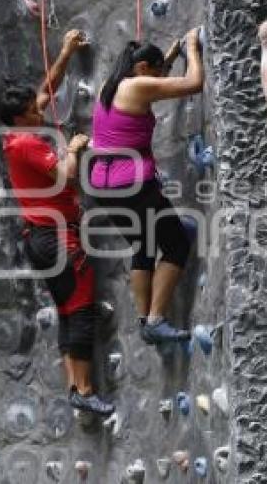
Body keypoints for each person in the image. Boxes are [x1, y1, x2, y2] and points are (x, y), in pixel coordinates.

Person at [0, 29, 114, 416]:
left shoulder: (17, 134)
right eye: (34, 111)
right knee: (80, 308)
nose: (41, 111)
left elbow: (47, 88)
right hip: (57, 238)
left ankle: (74, 387)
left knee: (68, 309)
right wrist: (76, 150)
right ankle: (83, 388)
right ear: (20, 118)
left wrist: (65, 52)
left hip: (42, 236)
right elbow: (65, 176)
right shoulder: (28, 144)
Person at [89, 28, 204, 345]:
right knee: (177, 243)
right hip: (133, 185)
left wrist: (165, 58)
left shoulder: (108, 88)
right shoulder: (139, 85)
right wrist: (192, 48)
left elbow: (155, 82)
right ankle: (155, 319)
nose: (160, 77)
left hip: (103, 186)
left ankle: (144, 320)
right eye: (156, 71)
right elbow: (194, 83)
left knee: (143, 246)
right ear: (142, 70)